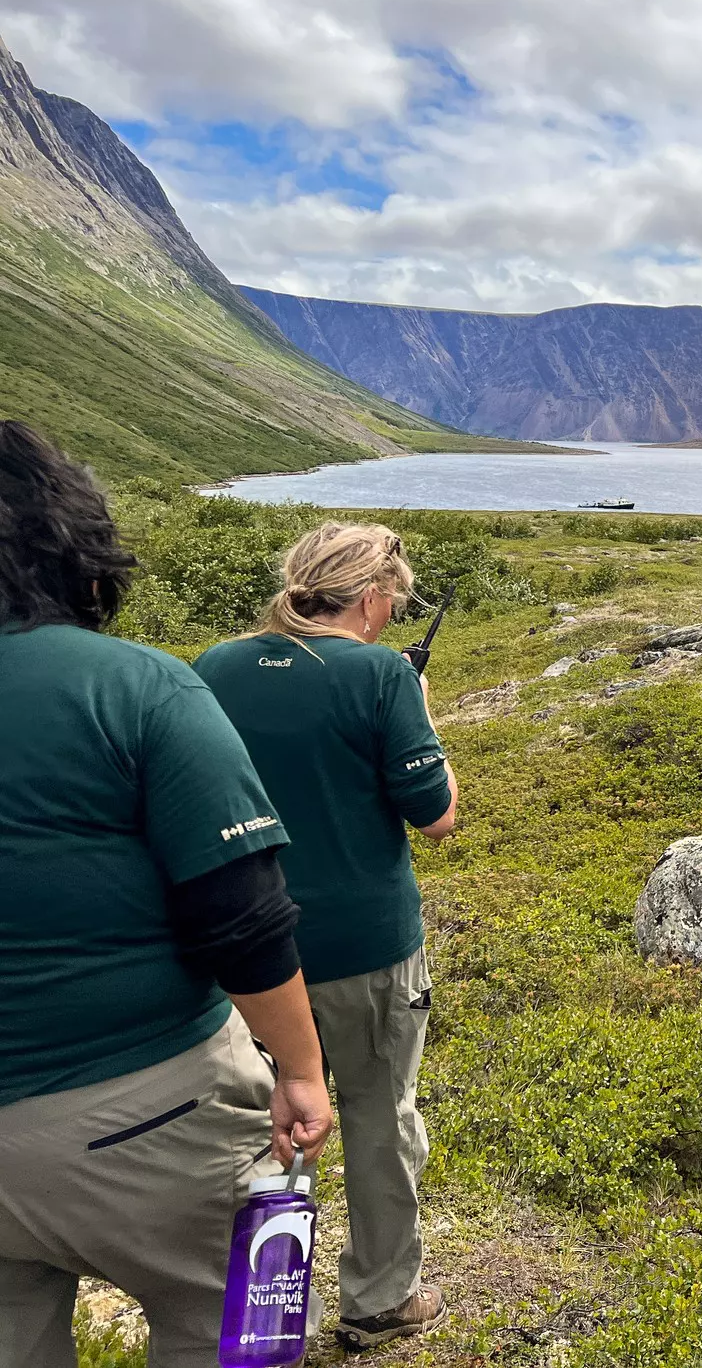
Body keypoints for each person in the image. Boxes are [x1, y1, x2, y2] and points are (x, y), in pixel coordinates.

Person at [0, 421, 334, 1368]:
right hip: (142, 1111)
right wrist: (301, 1072)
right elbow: (245, 916)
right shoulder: (137, 687)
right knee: (234, 1329)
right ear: (73, 547)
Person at [194, 522, 458, 1353]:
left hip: (242, 954)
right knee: (380, 1119)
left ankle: (251, 1309)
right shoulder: (383, 675)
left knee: (254, 1126)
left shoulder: (216, 665)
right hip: (366, 947)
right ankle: (379, 1301)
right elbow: (438, 815)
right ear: (375, 598)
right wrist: (416, 706)